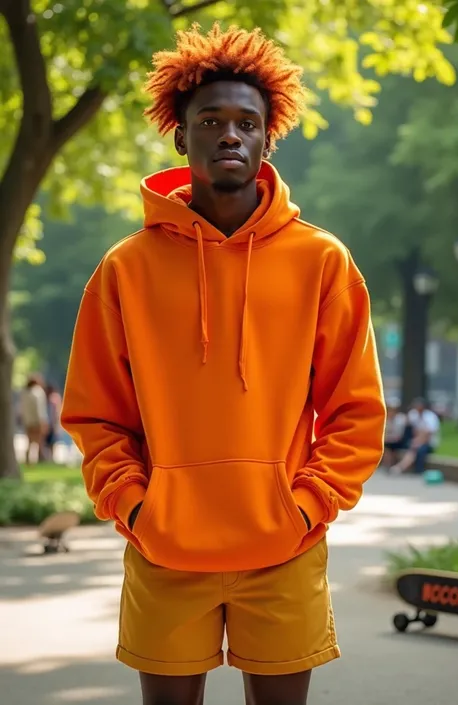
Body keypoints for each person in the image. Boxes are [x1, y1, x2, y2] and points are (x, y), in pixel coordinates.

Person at [61, 24, 386, 705]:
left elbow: (356, 410)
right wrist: (136, 504)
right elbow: (95, 413)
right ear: (181, 137)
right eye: (211, 120)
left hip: (284, 550)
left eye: (247, 121)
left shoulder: (322, 261)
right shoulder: (125, 269)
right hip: (165, 550)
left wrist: (306, 507)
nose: (230, 134)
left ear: (269, 138)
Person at [390, 398, 441, 475]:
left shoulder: (430, 417)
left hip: (428, 442)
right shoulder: (413, 414)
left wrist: (418, 441)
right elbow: (409, 425)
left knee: (418, 450)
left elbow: (428, 433)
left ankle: (406, 468)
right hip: (416, 440)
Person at [19, 374, 48, 465]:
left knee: (29, 442)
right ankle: (41, 460)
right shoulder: (38, 392)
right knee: (40, 442)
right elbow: (40, 409)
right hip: (37, 421)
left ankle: (28, 460)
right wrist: (43, 421)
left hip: (28, 421)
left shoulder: (25, 394)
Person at [383, 399, 411, 468]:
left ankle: (389, 465)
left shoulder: (401, 419)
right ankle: (387, 465)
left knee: (388, 446)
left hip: (400, 440)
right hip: (390, 440)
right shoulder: (386, 418)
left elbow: (399, 435)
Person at [45, 384, 62, 462]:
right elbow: (56, 413)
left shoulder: (49, 399)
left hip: (49, 423)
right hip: (51, 424)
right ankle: (51, 458)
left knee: (50, 443)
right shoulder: (54, 399)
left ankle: (50, 458)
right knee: (51, 443)